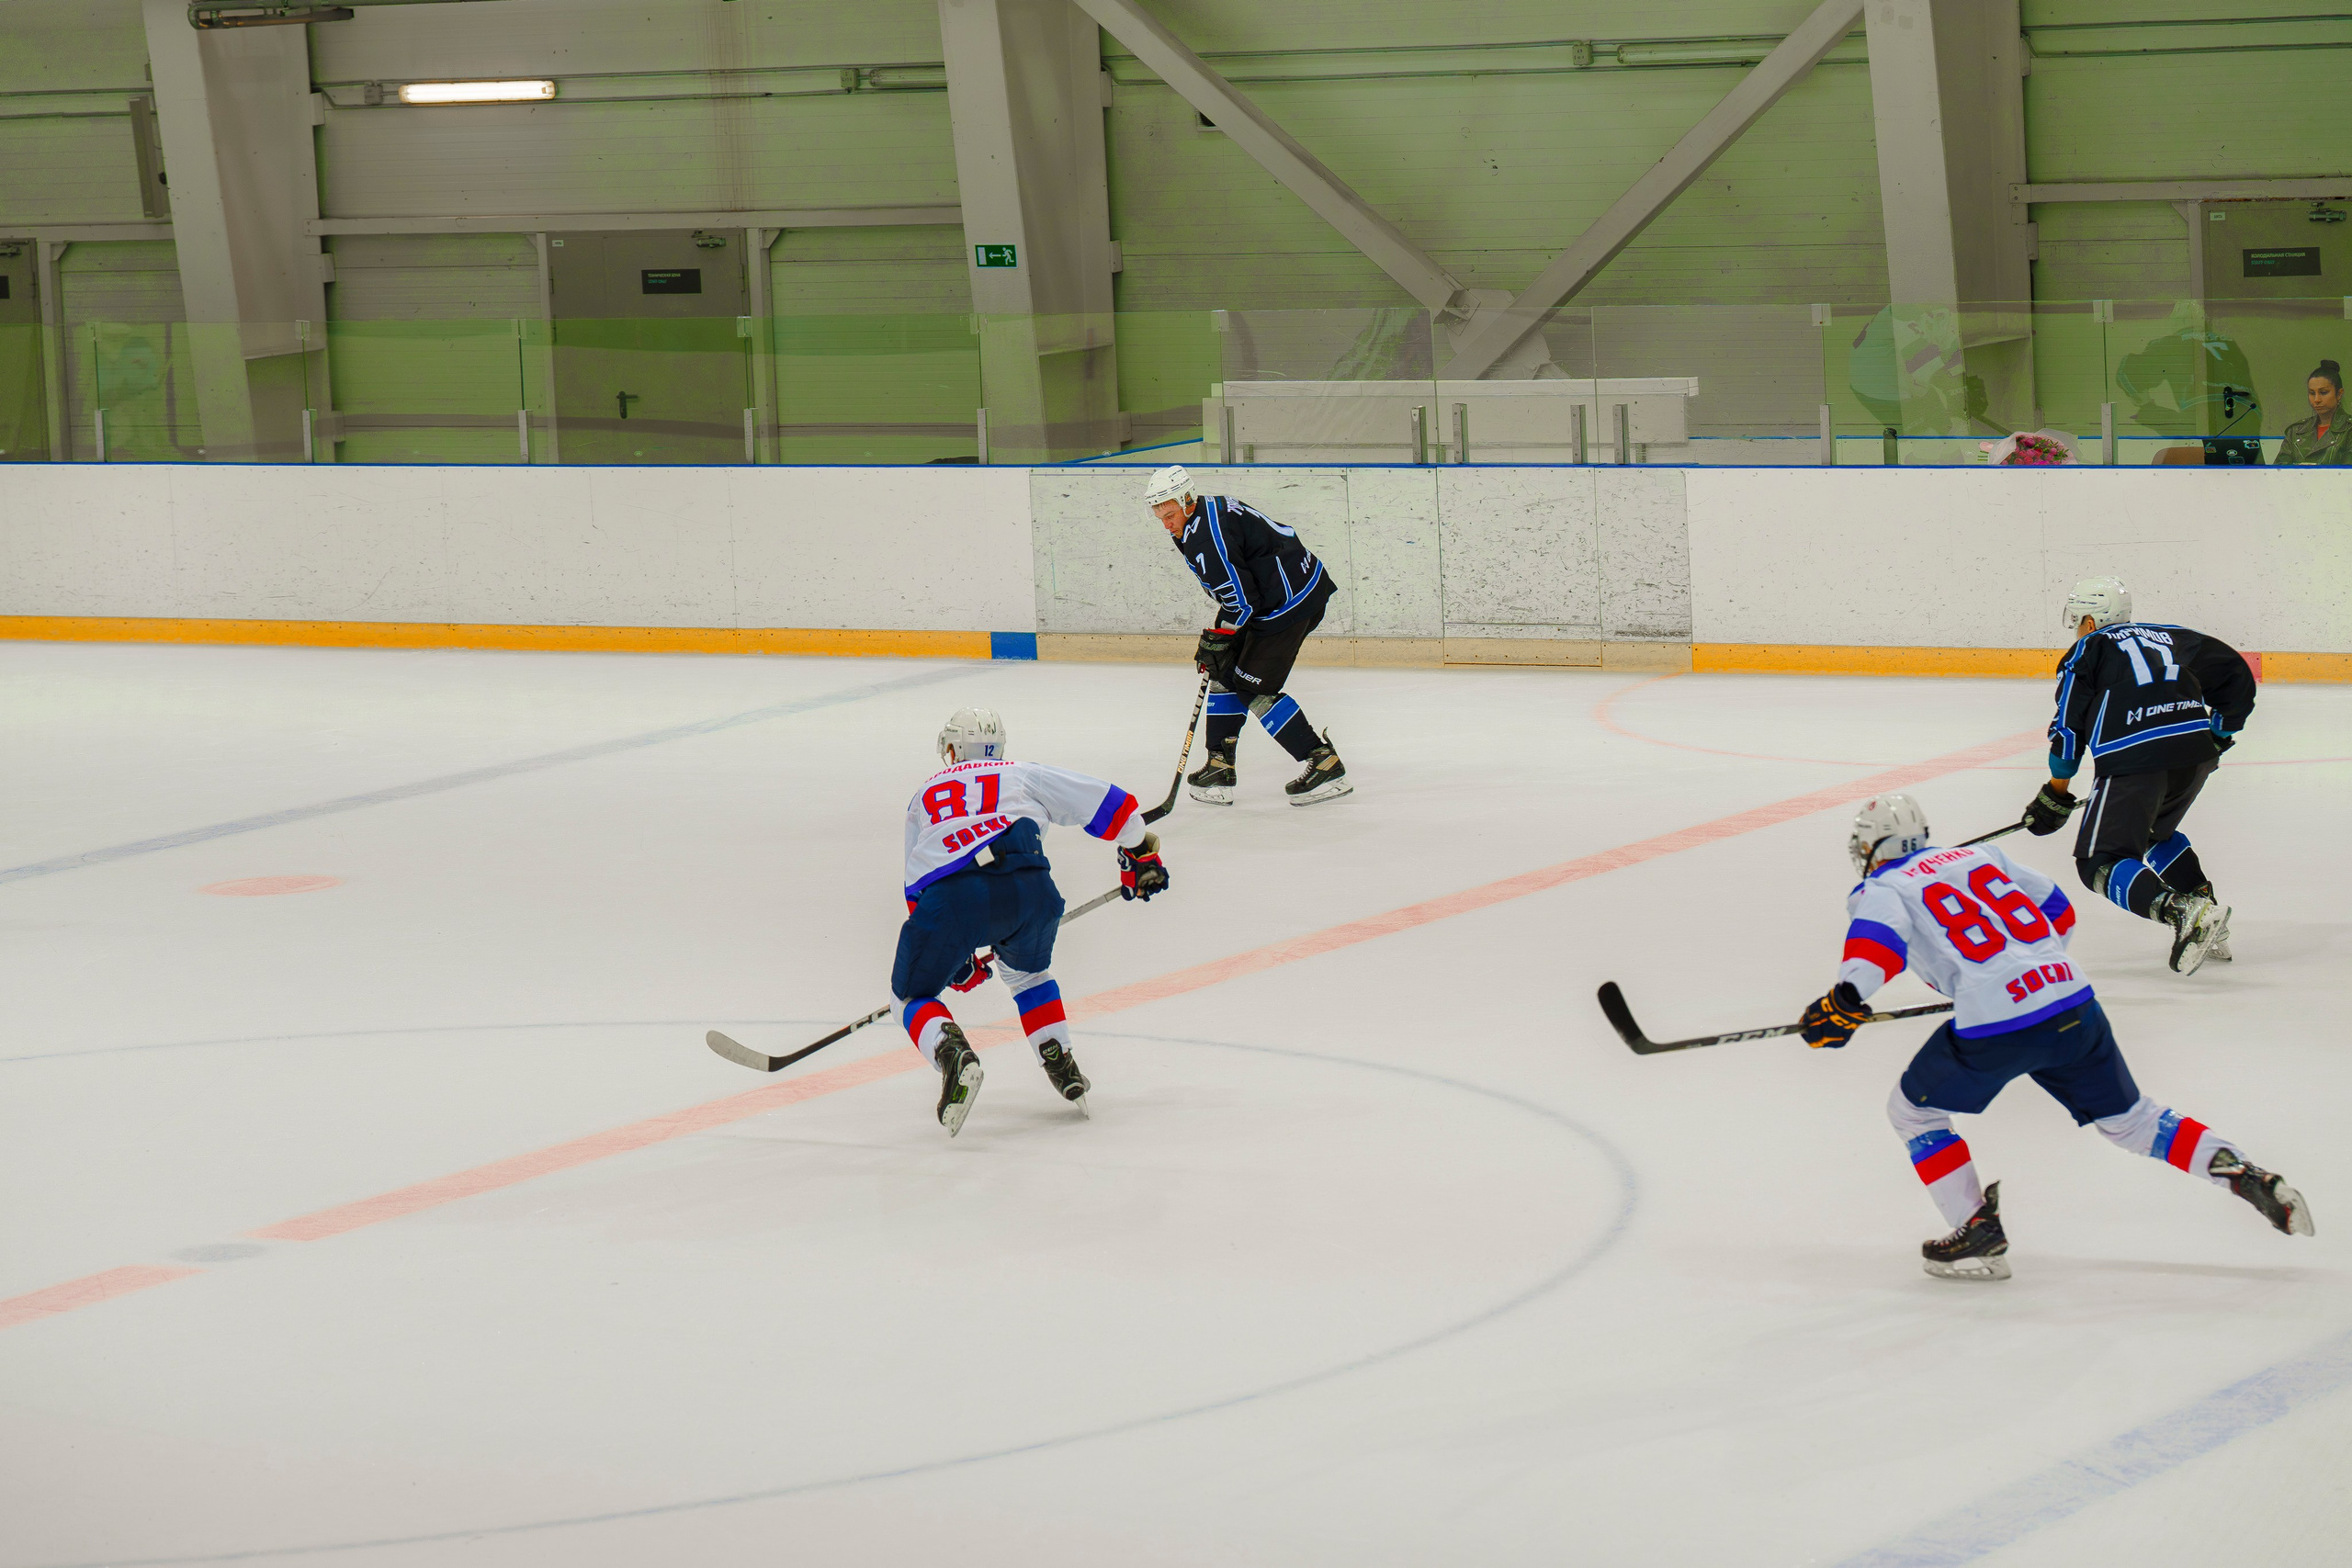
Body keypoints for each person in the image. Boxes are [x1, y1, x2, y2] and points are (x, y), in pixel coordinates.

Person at [1802, 795, 2312, 1281]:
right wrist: (2029, 969)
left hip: (1998, 1023)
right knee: (2131, 1121)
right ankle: (2243, 1172)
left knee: (1913, 1112)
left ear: (1872, 847)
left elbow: (1877, 947)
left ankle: (1976, 1229)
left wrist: (1842, 1002)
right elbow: (2059, 910)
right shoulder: (1980, 855)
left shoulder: (1883, 888)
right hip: (2071, 999)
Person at [893, 707, 1169, 1136]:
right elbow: (1114, 805)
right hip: (1032, 893)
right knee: (1027, 974)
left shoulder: (923, 795)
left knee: (910, 997)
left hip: (954, 900)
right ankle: (1058, 1057)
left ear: (953, 749)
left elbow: (916, 887)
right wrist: (1140, 853)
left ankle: (951, 1053)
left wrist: (956, 958)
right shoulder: (1021, 773)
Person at [2022, 577, 2255, 974]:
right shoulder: (2173, 636)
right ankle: (2207, 911)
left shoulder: (2086, 650)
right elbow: (2236, 676)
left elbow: (2067, 730)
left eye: (2078, 621)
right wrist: (2219, 734)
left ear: (2091, 622)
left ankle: (2184, 912)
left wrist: (2056, 793)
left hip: (2134, 758)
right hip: (2194, 753)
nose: (2076, 629)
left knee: (2099, 861)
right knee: (2151, 834)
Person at [1142, 464, 1351, 807]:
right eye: (1159, 517)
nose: (1166, 524)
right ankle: (1219, 765)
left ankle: (1324, 762)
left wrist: (1219, 637)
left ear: (1187, 500)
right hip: (1280, 593)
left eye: (1170, 515)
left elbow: (1241, 602)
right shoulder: (1205, 511)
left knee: (1253, 687)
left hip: (1289, 604)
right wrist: (1220, 640)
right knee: (1224, 670)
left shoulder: (1206, 538)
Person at [2273, 359, 2352, 465]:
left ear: (2339, 394)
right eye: (2312, 393)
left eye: (2323, 392)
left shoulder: (2349, 430)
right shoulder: (2295, 432)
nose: (2316, 399)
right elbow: (2278, 471)